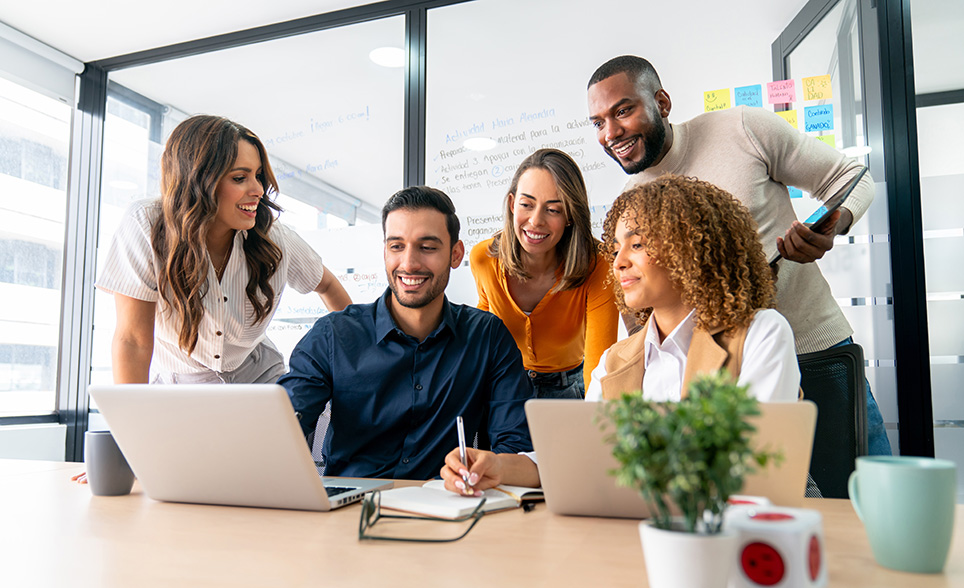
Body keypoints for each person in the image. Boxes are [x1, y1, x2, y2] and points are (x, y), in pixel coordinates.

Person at [585, 55, 891, 455]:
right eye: (598, 123)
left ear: (661, 103)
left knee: (859, 497)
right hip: (723, 370)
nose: (612, 132)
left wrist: (832, 225)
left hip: (813, 348)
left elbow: (851, 178)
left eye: (623, 111)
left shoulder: (742, 128)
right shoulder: (632, 204)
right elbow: (641, 317)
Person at [439, 175, 800, 495]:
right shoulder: (616, 363)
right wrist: (499, 467)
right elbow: (582, 456)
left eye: (637, 244)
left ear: (689, 246)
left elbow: (755, 469)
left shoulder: (760, 334)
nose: (618, 262)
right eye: (615, 249)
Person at [280, 186, 537, 484]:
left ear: (455, 254)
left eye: (427, 247)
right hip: (349, 513)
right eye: (397, 246)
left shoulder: (487, 337)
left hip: (447, 509)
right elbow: (280, 429)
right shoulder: (333, 336)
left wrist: (491, 466)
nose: (409, 263)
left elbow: (517, 450)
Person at [96, 114, 351, 385]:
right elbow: (132, 340)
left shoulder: (275, 237)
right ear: (198, 180)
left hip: (259, 377)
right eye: (240, 178)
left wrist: (357, 360)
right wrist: (133, 421)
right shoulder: (146, 224)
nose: (258, 190)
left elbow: (328, 286)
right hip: (178, 383)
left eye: (259, 176)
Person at [471, 148, 618, 398]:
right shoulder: (484, 258)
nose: (536, 221)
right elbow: (483, 335)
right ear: (511, 204)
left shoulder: (599, 265)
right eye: (526, 205)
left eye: (553, 210)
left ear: (570, 215)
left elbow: (599, 367)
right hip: (504, 383)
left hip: (569, 388)